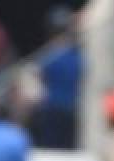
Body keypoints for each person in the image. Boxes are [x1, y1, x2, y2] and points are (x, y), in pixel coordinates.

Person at [29, 7, 83, 150]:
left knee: (51, 149)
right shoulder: (76, 56)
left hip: (52, 109)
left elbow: (35, 74)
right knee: (67, 149)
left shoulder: (49, 56)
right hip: (70, 108)